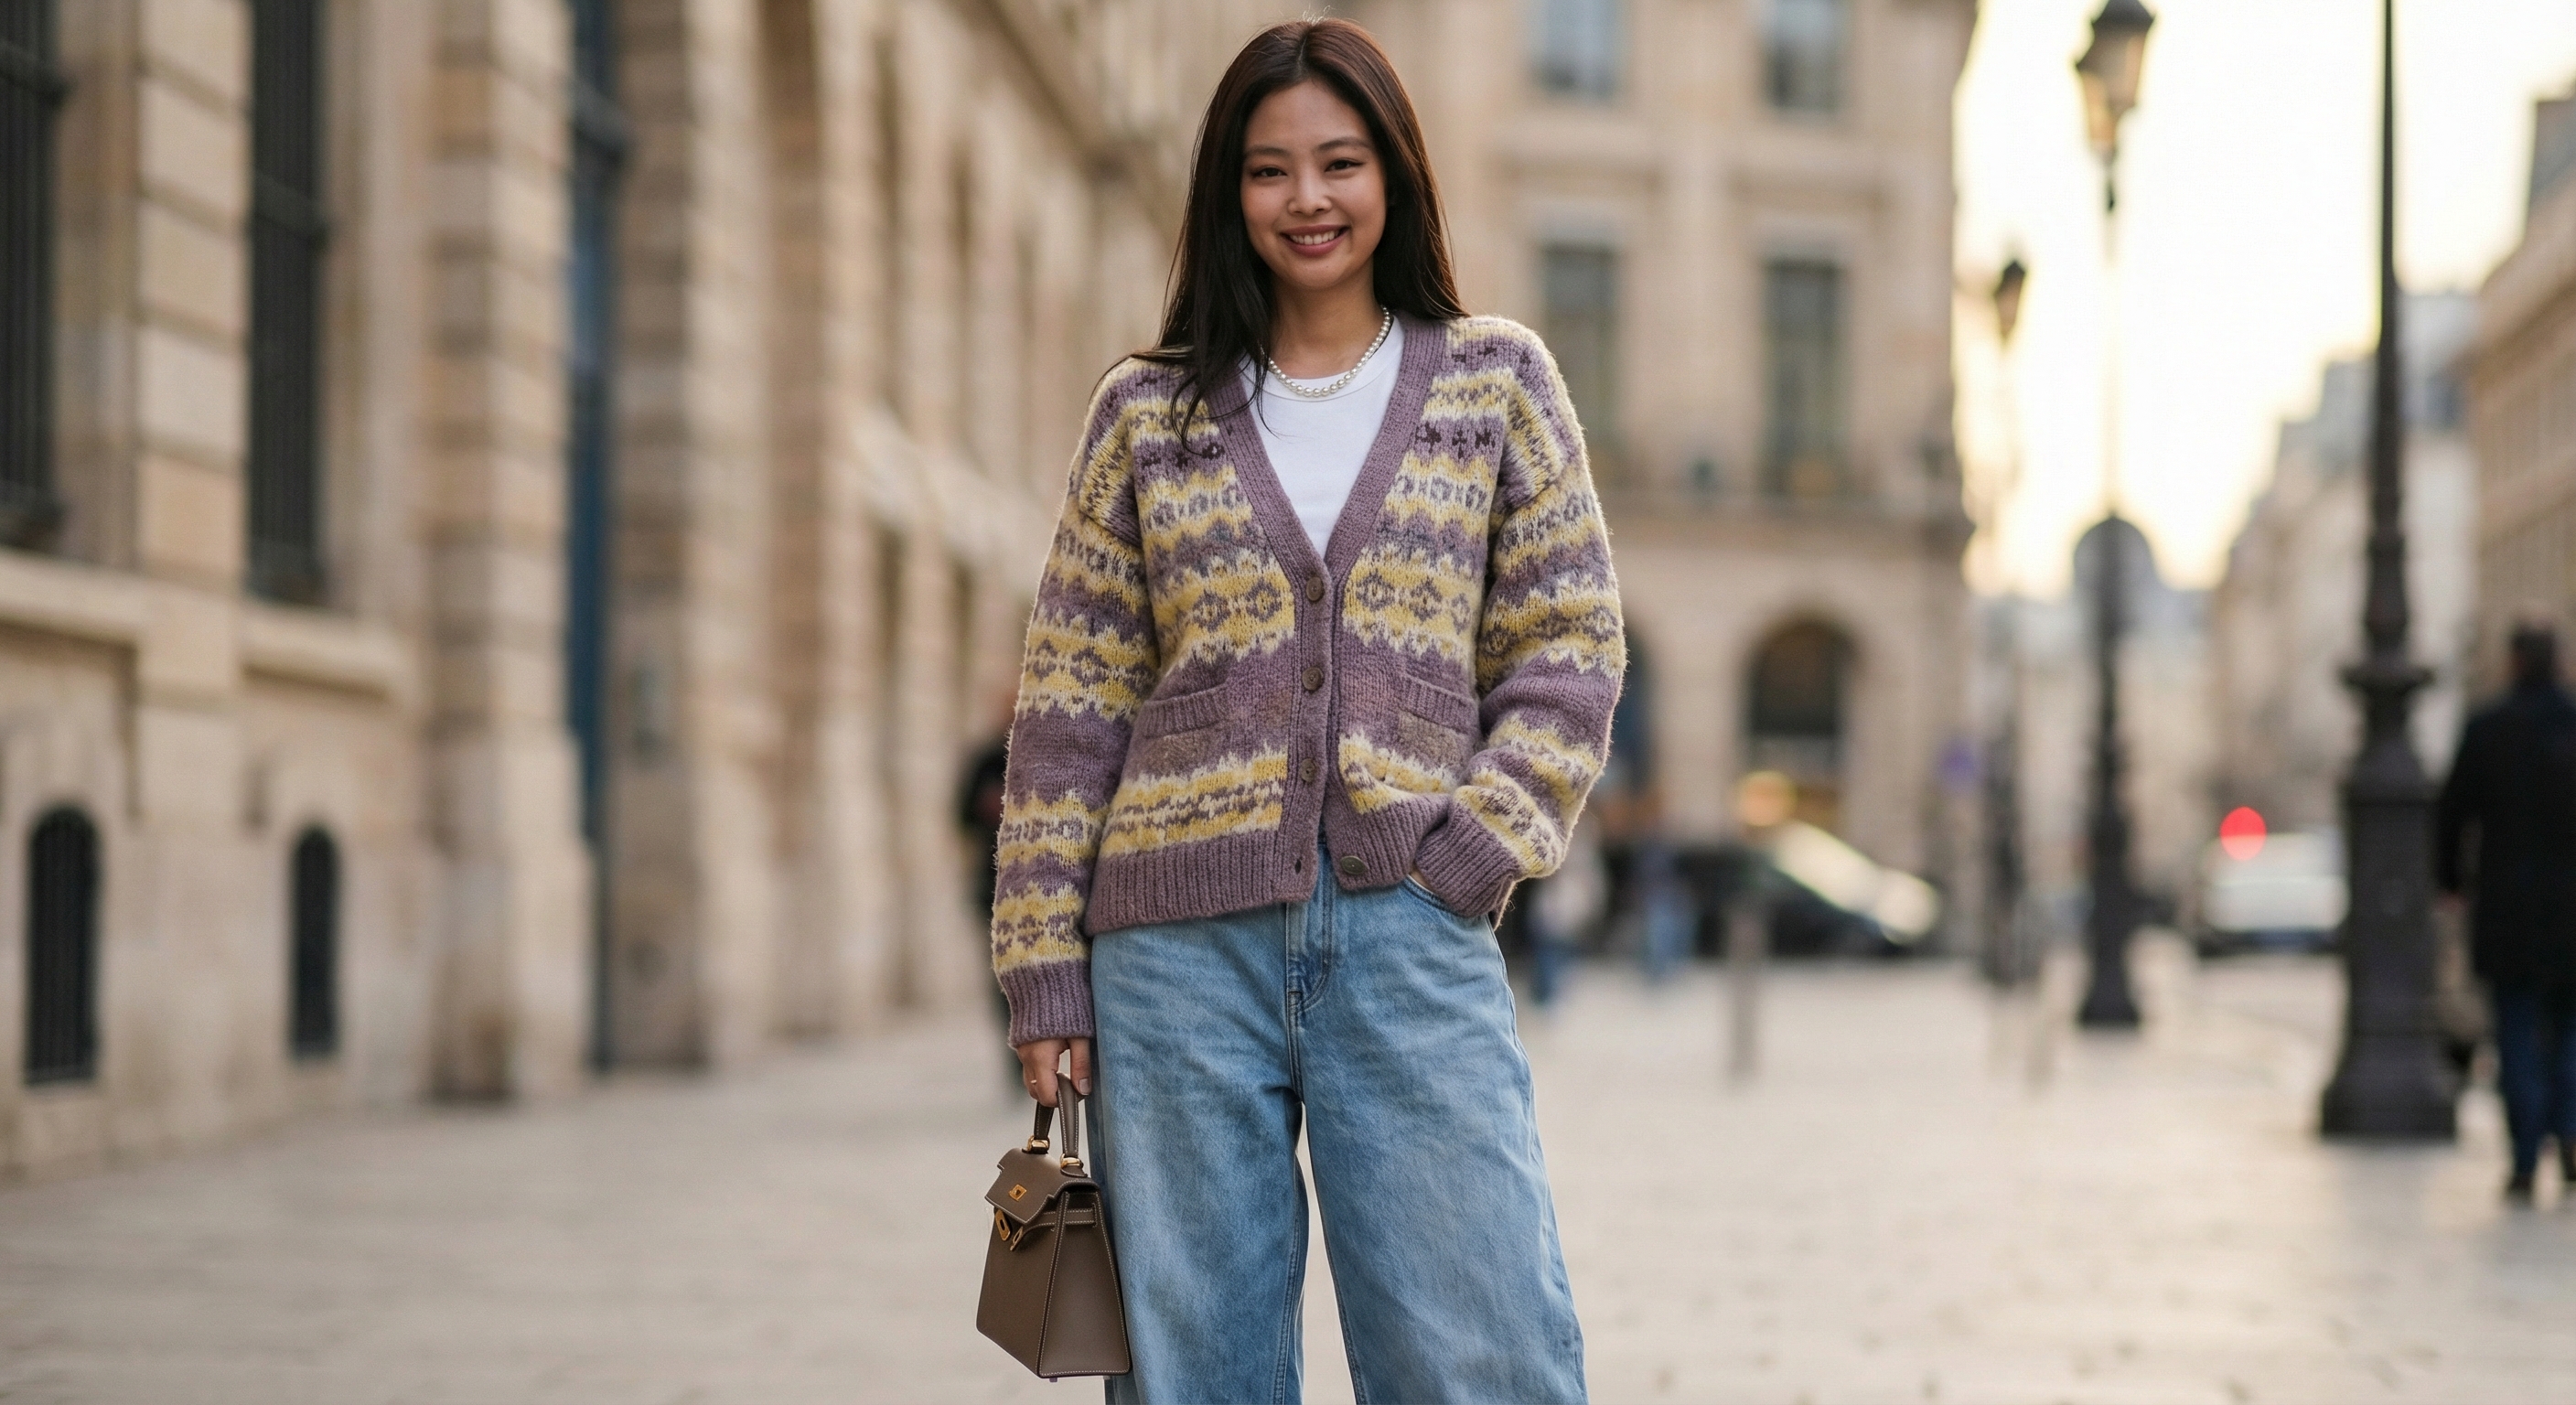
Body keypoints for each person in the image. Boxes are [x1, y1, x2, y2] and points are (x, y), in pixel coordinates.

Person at [988, 19, 1619, 1401]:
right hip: (1171, 958)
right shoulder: (1146, 415)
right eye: (1271, 170)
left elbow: (1569, 648)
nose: (1309, 198)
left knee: (1480, 1348)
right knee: (1192, 1364)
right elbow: (1070, 705)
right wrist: (1044, 965)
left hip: (1409, 933)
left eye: (1341, 162)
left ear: (1394, 176)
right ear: (1231, 193)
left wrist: (1472, 855)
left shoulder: (1493, 381)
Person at [2436, 617, 2576, 1204]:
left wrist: (2450, 882)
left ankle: (2523, 1158)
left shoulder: (2488, 727)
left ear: (2513, 661)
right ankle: (2570, 1137)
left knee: (2516, 1031)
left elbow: (2452, 815)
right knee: (2571, 1032)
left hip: (2509, 910)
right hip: (2573, 914)